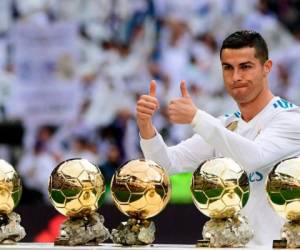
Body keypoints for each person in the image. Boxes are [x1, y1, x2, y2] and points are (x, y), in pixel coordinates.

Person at [135, 30, 300, 246]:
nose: (236, 77)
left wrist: (196, 118)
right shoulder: (225, 125)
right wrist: (146, 126)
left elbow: (254, 158)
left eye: (246, 67)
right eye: (228, 68)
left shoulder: (290, 119)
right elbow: (166, 165)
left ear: (266, 68)